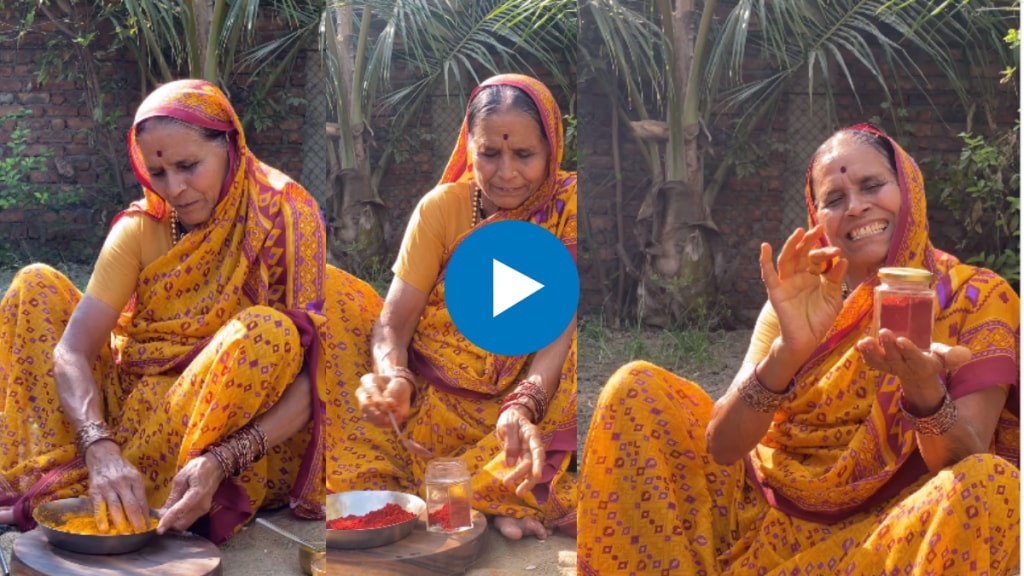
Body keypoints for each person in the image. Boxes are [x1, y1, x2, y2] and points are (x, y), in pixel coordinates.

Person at [578, 124, 1019, 574]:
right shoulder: (804, 297)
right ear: (817, 217)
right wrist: (789, 350)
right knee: (634, 388)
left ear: (909, 189)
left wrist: (925, 392)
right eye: (834, 199)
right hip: (763, 521)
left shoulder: (976, 297)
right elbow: (723, 446)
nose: (856, 206)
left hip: (886, 537)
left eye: (872, 185)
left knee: (990, 484)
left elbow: (966, 460)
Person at [0, 79, 327, 543]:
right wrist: (98, 445)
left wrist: (221, 460)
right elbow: (72, 351)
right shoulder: (143, 226)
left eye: (189, 166)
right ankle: (87, 478)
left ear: (230, 145)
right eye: (159, 174)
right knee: (34, 284)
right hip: (127, 409)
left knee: (269, 333)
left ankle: (115, 495)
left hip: (228, 427)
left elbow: (313, 372)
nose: (175, 189)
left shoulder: (287, 214)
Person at [324, 73, 577, 540]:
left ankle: (495, 484)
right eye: (489, 153)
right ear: (469, 147)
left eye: (524, 155)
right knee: (332, 298)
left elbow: (558, 338)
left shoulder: (568, 210)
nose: (505, 173)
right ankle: (478, 490)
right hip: (429, 404)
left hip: (515, 415)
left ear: (552, 151)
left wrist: (521, 408)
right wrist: (393, 377)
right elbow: (391, 328)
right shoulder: (441, 209)